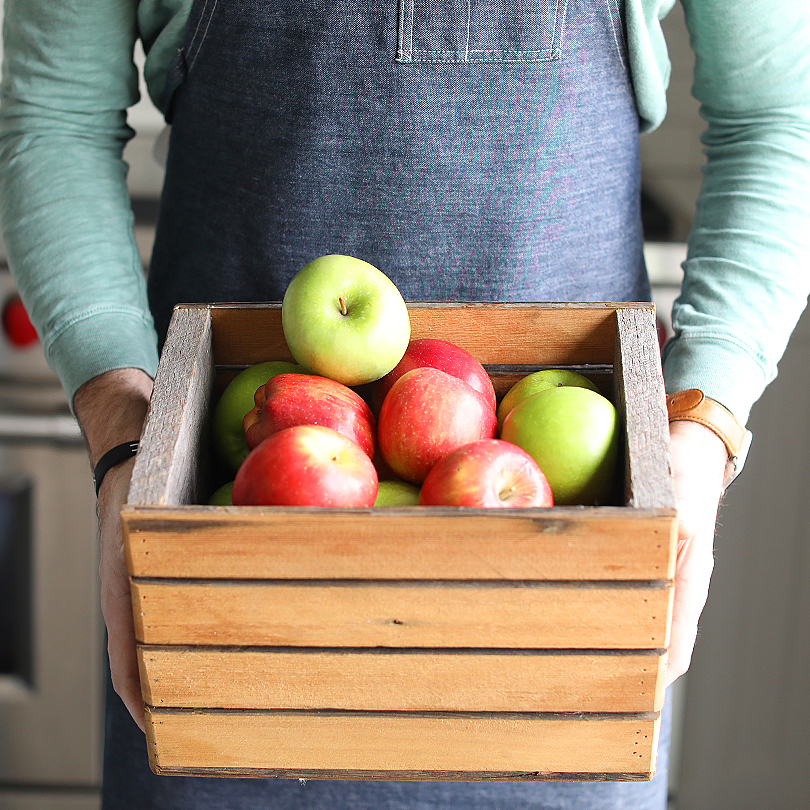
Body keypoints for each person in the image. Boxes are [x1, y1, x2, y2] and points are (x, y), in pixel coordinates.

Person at [1, 0, 808, 808]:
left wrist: (703, 429)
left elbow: (781, 117)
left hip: (559, 623)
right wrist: (123, 434)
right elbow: (51, 116)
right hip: (230, 595)